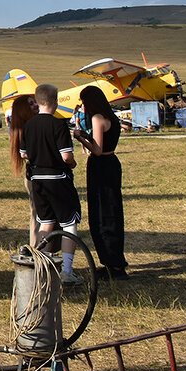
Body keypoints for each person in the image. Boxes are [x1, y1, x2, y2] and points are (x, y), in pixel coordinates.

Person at [20, 84, 84, 285]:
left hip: (37, 179)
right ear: (55, 102)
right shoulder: (58, 125)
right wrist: (72, 163)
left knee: (46, 222)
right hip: (58, 179)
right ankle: (67, 270)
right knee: (69, 223)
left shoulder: (28, 126)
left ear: (38, 103)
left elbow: (24, 154)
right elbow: (67, 157)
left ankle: (43, 266)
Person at [73, 86, 129, 280]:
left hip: (100, 165)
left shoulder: (97, 118)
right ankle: (114, 261)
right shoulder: (110, 117)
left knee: (102, 212)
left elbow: (96, 150)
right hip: (111, 162)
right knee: (113, 209)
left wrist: (80, 138)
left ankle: (112, 262)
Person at [7, 94, 39, 246]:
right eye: (31, 103)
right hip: (37, 175)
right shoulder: (30, 129)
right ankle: (37, 248)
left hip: (32, 174)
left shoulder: (22, 130)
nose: (36, 105)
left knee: (36, 214)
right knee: (38, 214)